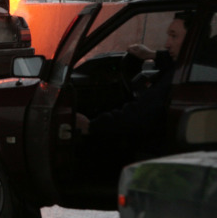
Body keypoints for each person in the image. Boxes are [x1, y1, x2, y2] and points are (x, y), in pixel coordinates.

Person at [76, 11, 191, 167]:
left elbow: (141, 113)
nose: (167, 44)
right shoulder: (199, 65)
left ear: (193, 39)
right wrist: (152, 55)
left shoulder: (181, 75)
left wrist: (92, 126)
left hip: (161, 154)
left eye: (174, 36)